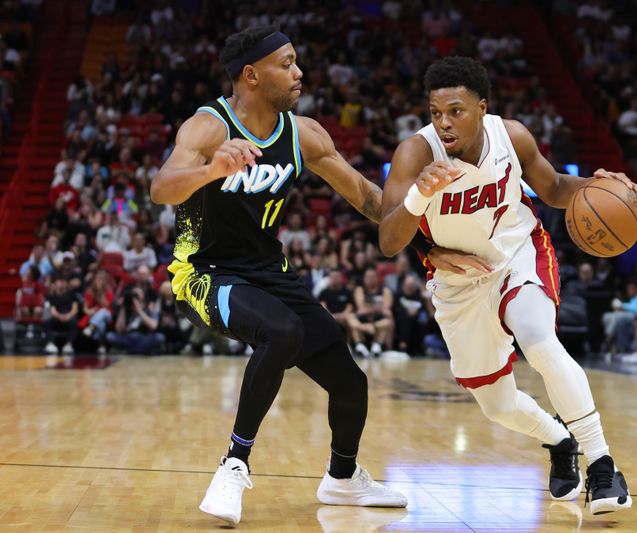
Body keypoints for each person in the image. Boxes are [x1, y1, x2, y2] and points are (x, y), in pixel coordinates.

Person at [149, 26, 449, 524]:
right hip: (204, 273)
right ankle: (234, 464)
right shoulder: (208, 127)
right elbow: (162, 188)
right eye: (286, 63)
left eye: (296, 61)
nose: (298, 72)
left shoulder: (303, 133)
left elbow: (367, 197)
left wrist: (429, 239)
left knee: (350, 382)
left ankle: (343, 479)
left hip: (270, 272)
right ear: (251, 74)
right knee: (281, 332)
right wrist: (209, 171)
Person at [379, 57, 637, 515]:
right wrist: (420, 195)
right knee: (497, 406)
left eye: (456, 111)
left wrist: (599, 186)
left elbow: (555, 187)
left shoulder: (511, 136)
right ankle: (560, 440)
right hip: (459, 281)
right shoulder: (415, 154)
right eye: (435, 112)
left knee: (538, 341)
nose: (443, 123)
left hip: (518, 252)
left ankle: (602, 465)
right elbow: (387, 240)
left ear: (482, 108)